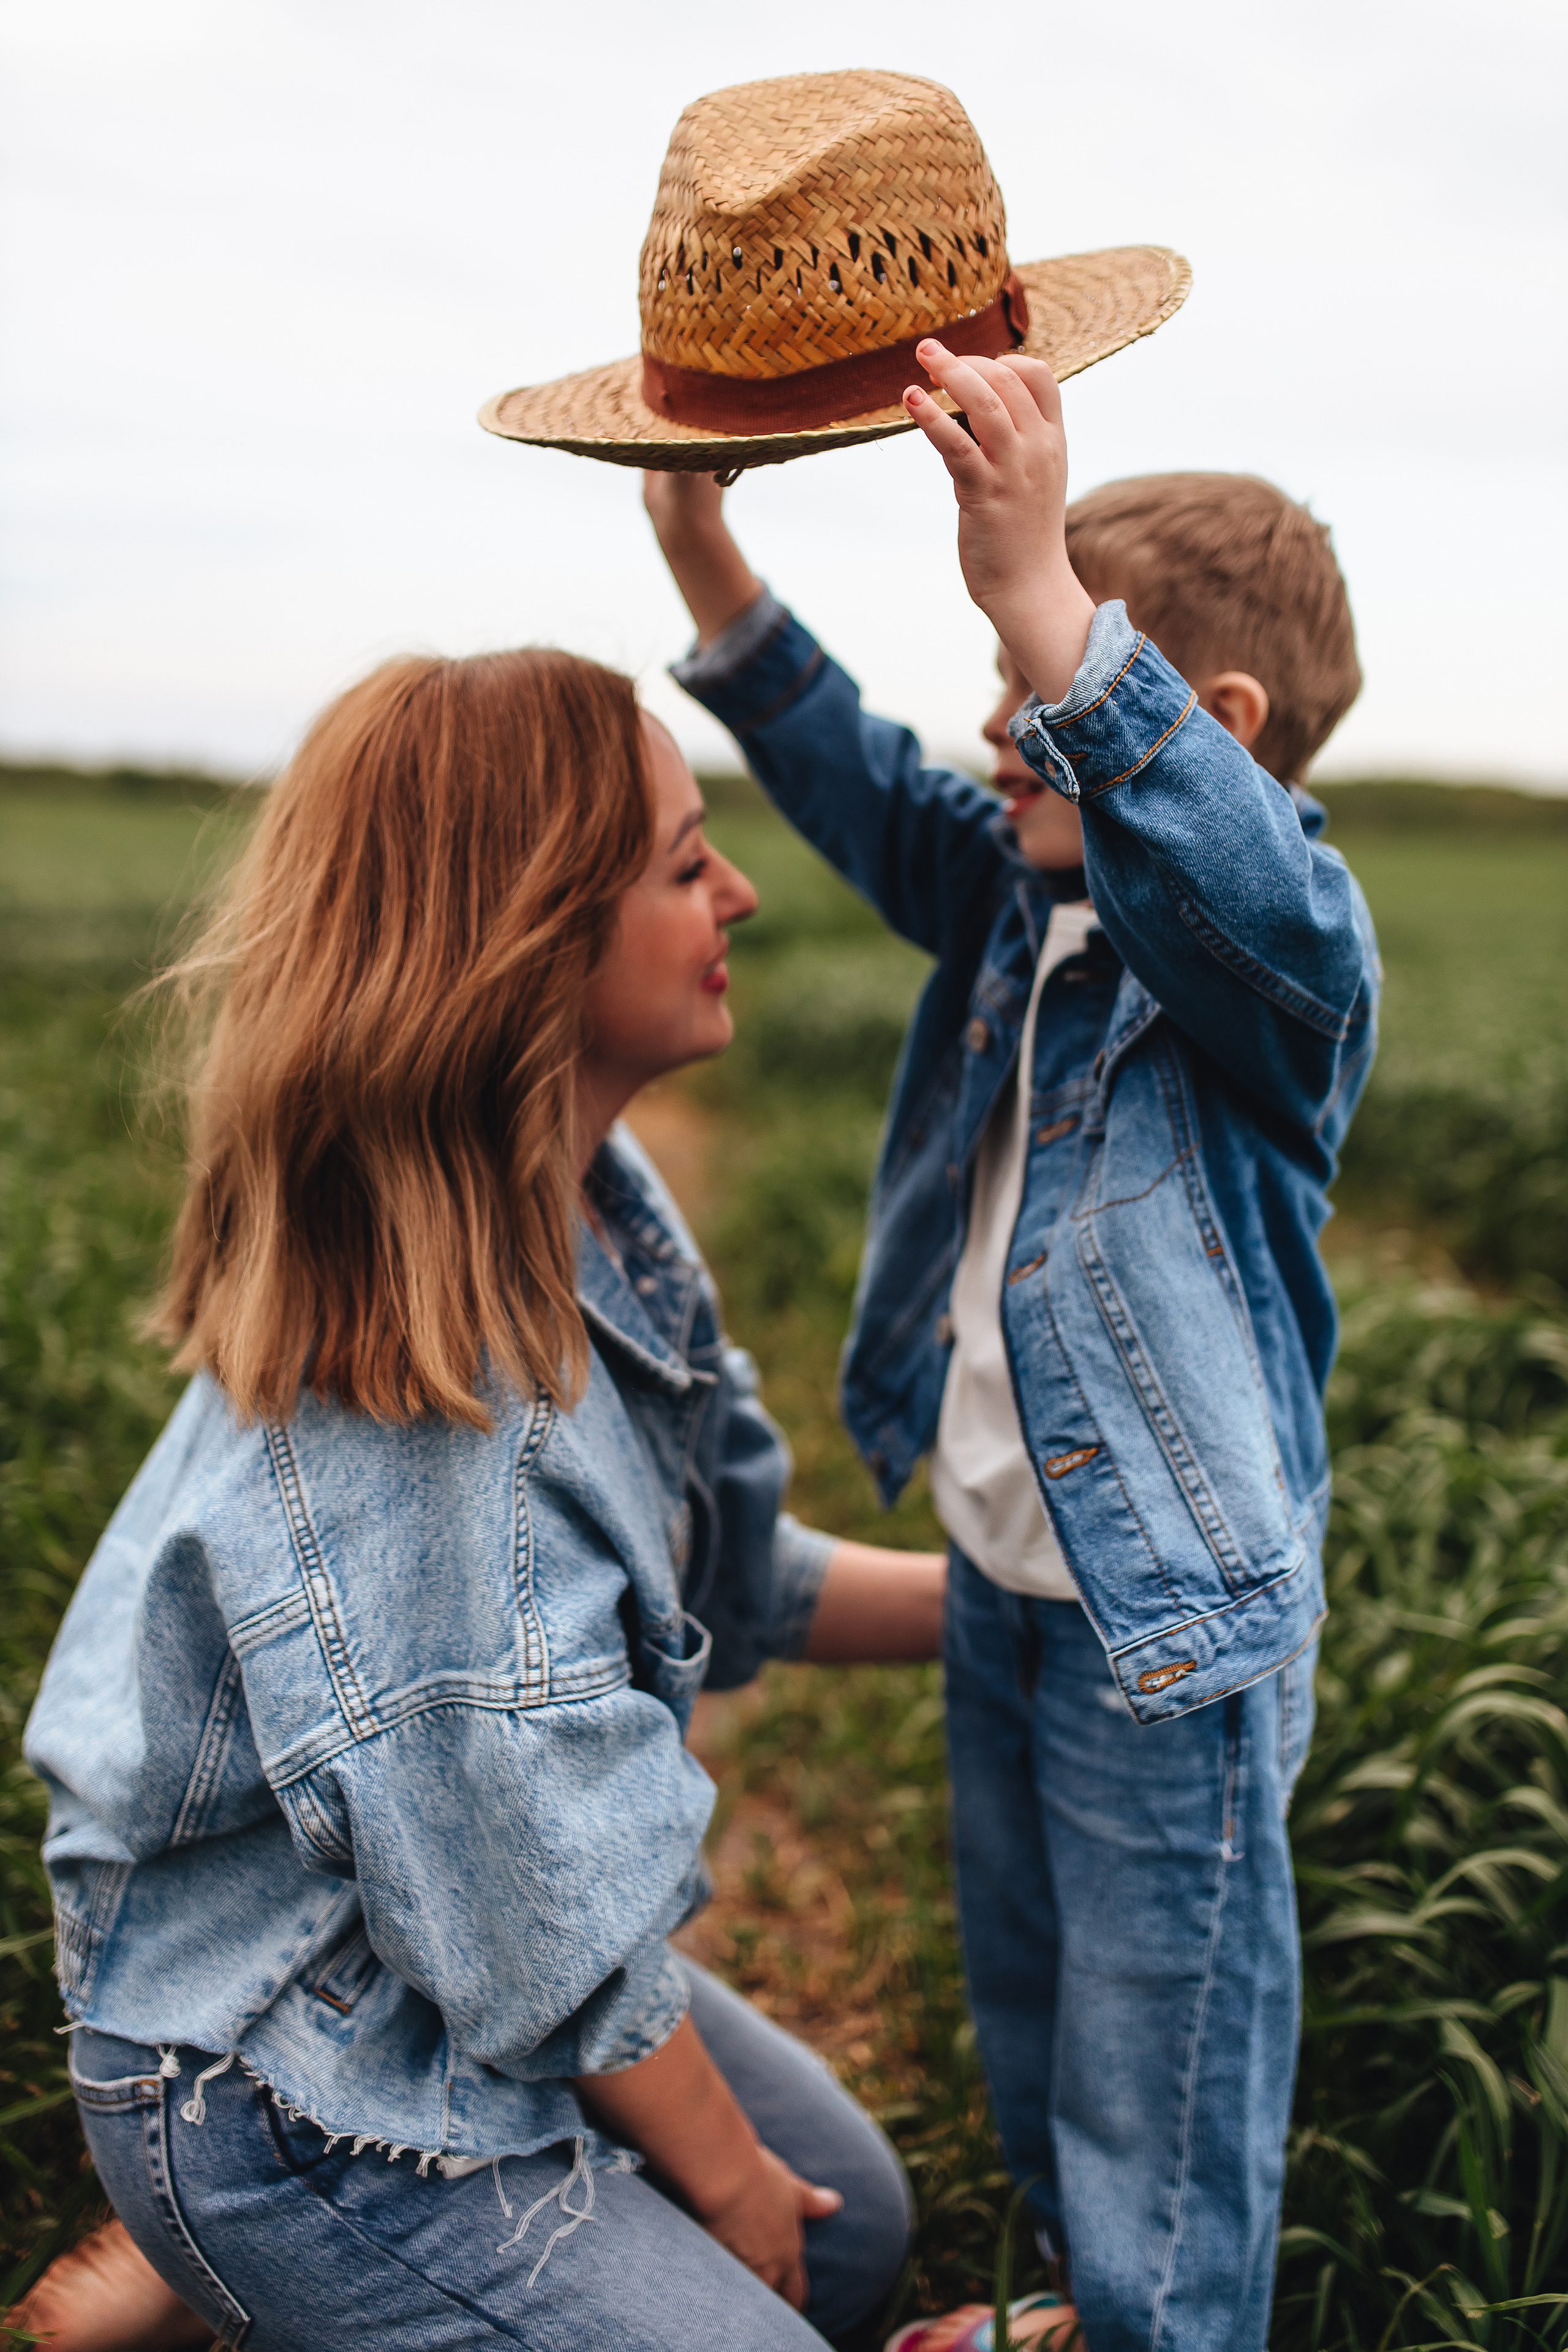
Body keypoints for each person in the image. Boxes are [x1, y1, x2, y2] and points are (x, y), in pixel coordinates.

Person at [16, 645, 947, 2352]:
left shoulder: (599, 1209)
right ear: (530, 942)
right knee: (777, 2254)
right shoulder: (427, 1407)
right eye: (683, 863)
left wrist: (1019, 1601)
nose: (738, 889)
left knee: (860, 2229)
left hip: (437, 1945)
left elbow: (730, 1582)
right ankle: (216, 2230)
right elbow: (543, 1910)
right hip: (292, 2054)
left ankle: (224, 2280)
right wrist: (725, 2188)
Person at [646, 342, 1376, 2352]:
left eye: (1037, 696)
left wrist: (1040, 584)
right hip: (1010, 1585)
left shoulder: (1269, 961)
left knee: (1170, 2050)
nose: (992, 720)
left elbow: (1227, 872)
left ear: (1199, 725)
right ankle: (1079, 2307)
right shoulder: (1011, 904)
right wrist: (707, 554)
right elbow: (854, 773)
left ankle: (1162, 2327)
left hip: (1165, 1633)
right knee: (1040, 1991)